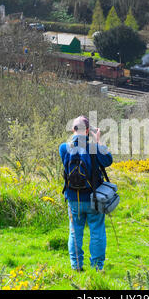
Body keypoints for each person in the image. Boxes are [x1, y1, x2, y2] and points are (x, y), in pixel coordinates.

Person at [59, 115, 113, 272]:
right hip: (93, 198)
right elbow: (108, 160)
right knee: (97, 231)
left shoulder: (64, 148)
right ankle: (97, 267)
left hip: (73, 198)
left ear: (73, 129)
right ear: (88, 131)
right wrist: (98, 141)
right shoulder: (93, 148)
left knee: (75, 232)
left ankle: (76, 266)